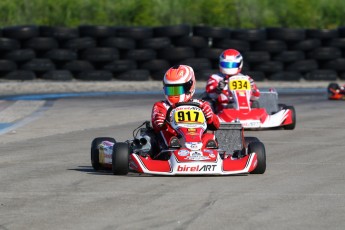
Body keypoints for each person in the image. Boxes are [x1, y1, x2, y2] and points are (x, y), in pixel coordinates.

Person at [151, 64, 220, 152]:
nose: (173, 94)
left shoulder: (201, 104)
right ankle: (173, 151)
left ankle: (209, 154)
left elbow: (216, 125)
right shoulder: (161, 105)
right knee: (165, 135)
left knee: (209, 137)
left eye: (177, 90)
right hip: (173, 142)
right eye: (170, 90)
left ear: (189, 87)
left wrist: (210, 117)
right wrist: (159, 122)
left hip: (197, 139)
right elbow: (157, 127)